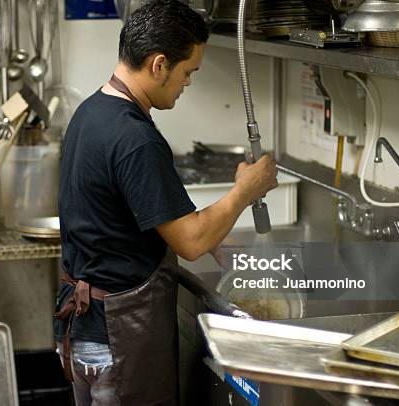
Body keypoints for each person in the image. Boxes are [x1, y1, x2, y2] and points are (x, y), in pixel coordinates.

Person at [53, 0, 278, 404]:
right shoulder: (135, 138)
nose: (187, 83)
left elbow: (132, 213)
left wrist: (217, 235)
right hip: (119, 342)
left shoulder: (92, 112)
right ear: (159, 64)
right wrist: (245, 190)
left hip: (87, 333)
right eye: (187, 72)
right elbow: (189, 242)